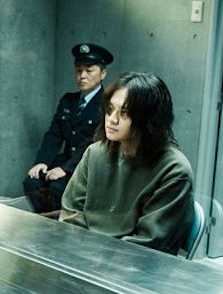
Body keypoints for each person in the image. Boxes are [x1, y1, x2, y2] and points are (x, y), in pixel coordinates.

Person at [59, 71, 194, 255]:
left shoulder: (174, 170)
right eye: (109, 109)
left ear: (149, 119)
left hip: (135, 266)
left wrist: (92, 257)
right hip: (84, 257)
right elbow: (70, 215)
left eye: (125, 113)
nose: (112, 119)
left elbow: (148, 244)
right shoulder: (95, 153)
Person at [23, 43, 114, 213]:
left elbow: (94, 142)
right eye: (78, 71)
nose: (82, 76)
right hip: (65, 160)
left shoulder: (108, 104)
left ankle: (55, 223)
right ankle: (43, 219)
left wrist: (66, 169)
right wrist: (42, 162)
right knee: (32, 181)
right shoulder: (68, 101)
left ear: (103, 74)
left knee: (57, 187)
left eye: (89, 70)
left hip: (88, 167)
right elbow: (54, 134)